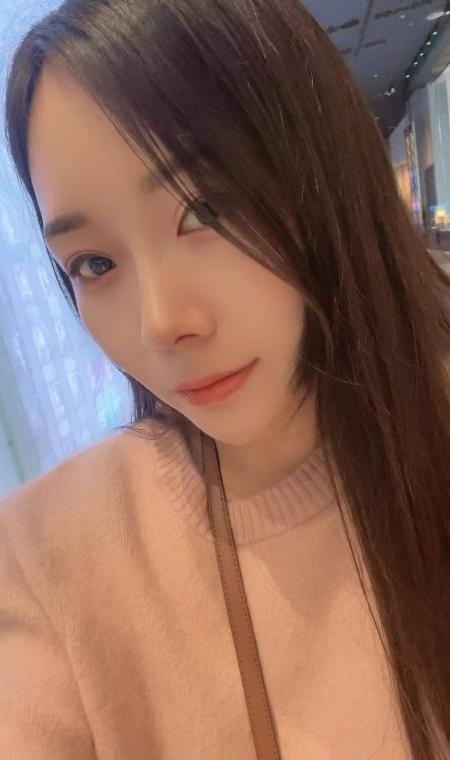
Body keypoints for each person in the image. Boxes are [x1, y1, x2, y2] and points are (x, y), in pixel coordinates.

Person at [1, 1, 449, 758]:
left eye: (204, 209)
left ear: (319, 170)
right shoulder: (49, 557)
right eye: (95, 263)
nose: (160, 322)